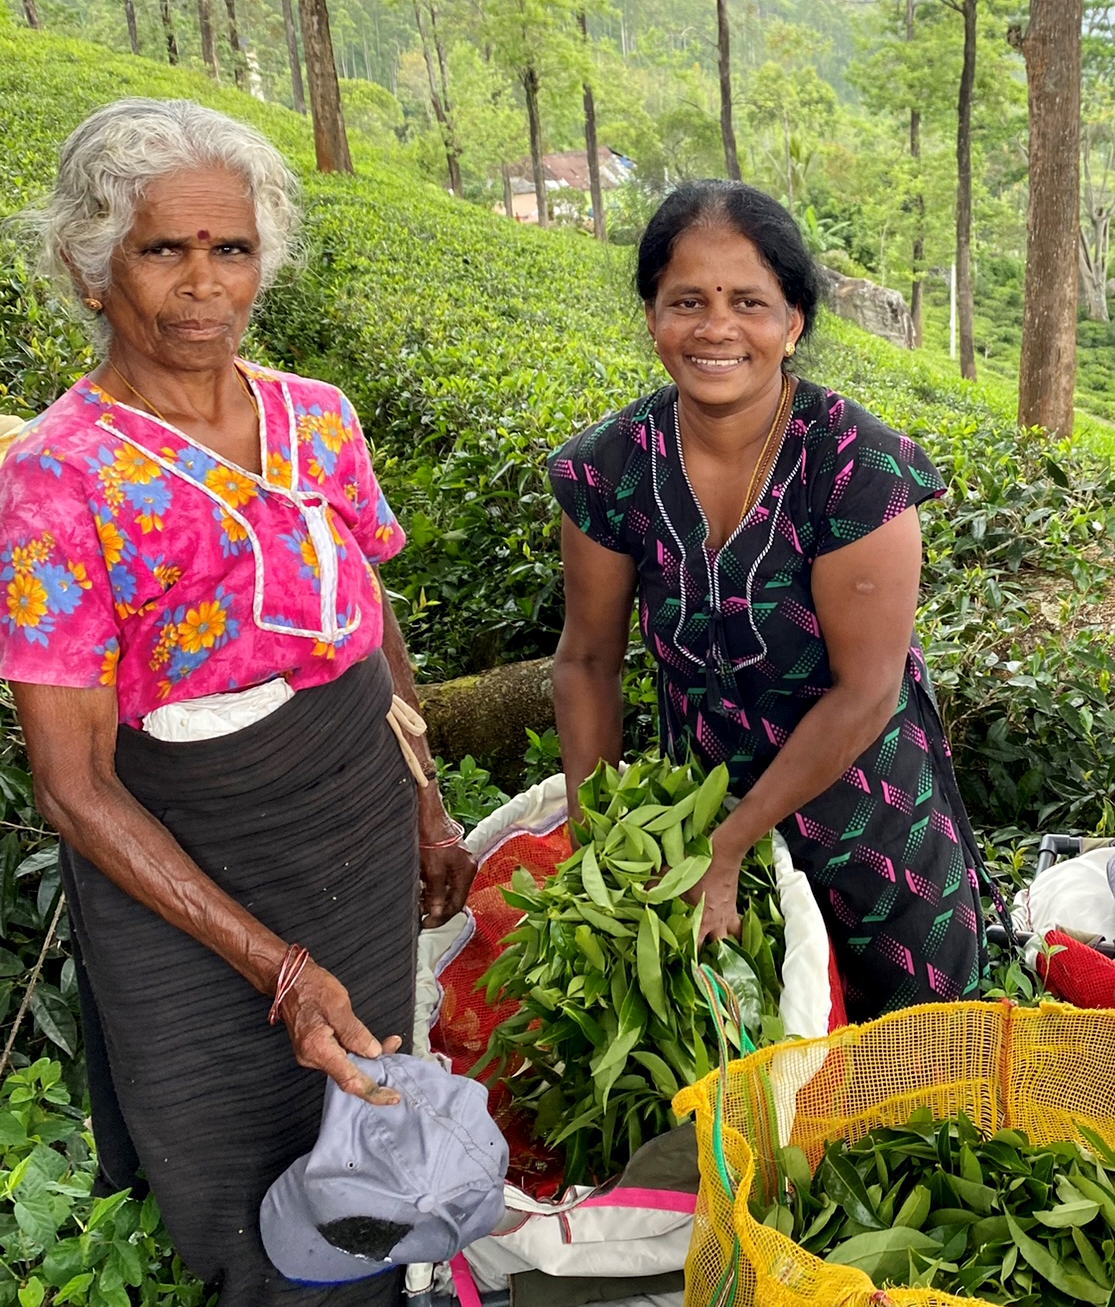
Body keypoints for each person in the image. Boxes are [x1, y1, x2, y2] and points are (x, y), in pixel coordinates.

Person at [0, 98, 476, 1306]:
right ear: (89, 261)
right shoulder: (55, 479)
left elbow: (367, 610)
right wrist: (278, 968)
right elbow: (71, 782)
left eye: (233, 249)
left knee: (368, 1122)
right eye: (165, 249)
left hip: (353, 818)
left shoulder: (314, 417)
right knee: (229, 1148)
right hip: (182, 845)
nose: (204, 285)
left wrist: (425, 801)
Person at [549, 179, 994, 1023]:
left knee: (913, 1065)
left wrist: (731, 842)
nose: (715, 327)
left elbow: (865, 692)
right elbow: (586, 660)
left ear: (792, 322)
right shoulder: (608, 468)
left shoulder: (854, 464)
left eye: (747, 301)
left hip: (869, 819)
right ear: (652, 315)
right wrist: (600, 837)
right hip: (702, 800)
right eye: (687, 300)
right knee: (744, 1072)